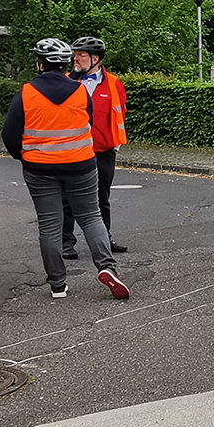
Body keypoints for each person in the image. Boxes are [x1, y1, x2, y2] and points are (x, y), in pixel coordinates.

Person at [1, 38, 132, 301]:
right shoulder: (81, 91)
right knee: (91, 217)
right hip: (82, 164)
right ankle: (107, 267)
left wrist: (25, 157)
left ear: (40, 63)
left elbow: (9, 134)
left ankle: (58, 285)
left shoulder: (26, 92)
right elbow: (90, 122)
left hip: (40, 169)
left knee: (50, 224)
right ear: (64, 65)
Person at [60, 34, 130, 259]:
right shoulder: (67, 81)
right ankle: (66, 242)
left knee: (101, 198)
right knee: (68, 198)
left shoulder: (113, 83)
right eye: (75, 56)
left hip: (103, 152)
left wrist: (114, 144)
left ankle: (104, 238)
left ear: (96, 59)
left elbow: (121, 112)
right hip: (73, 150)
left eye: (81, 56)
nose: (76, 60)